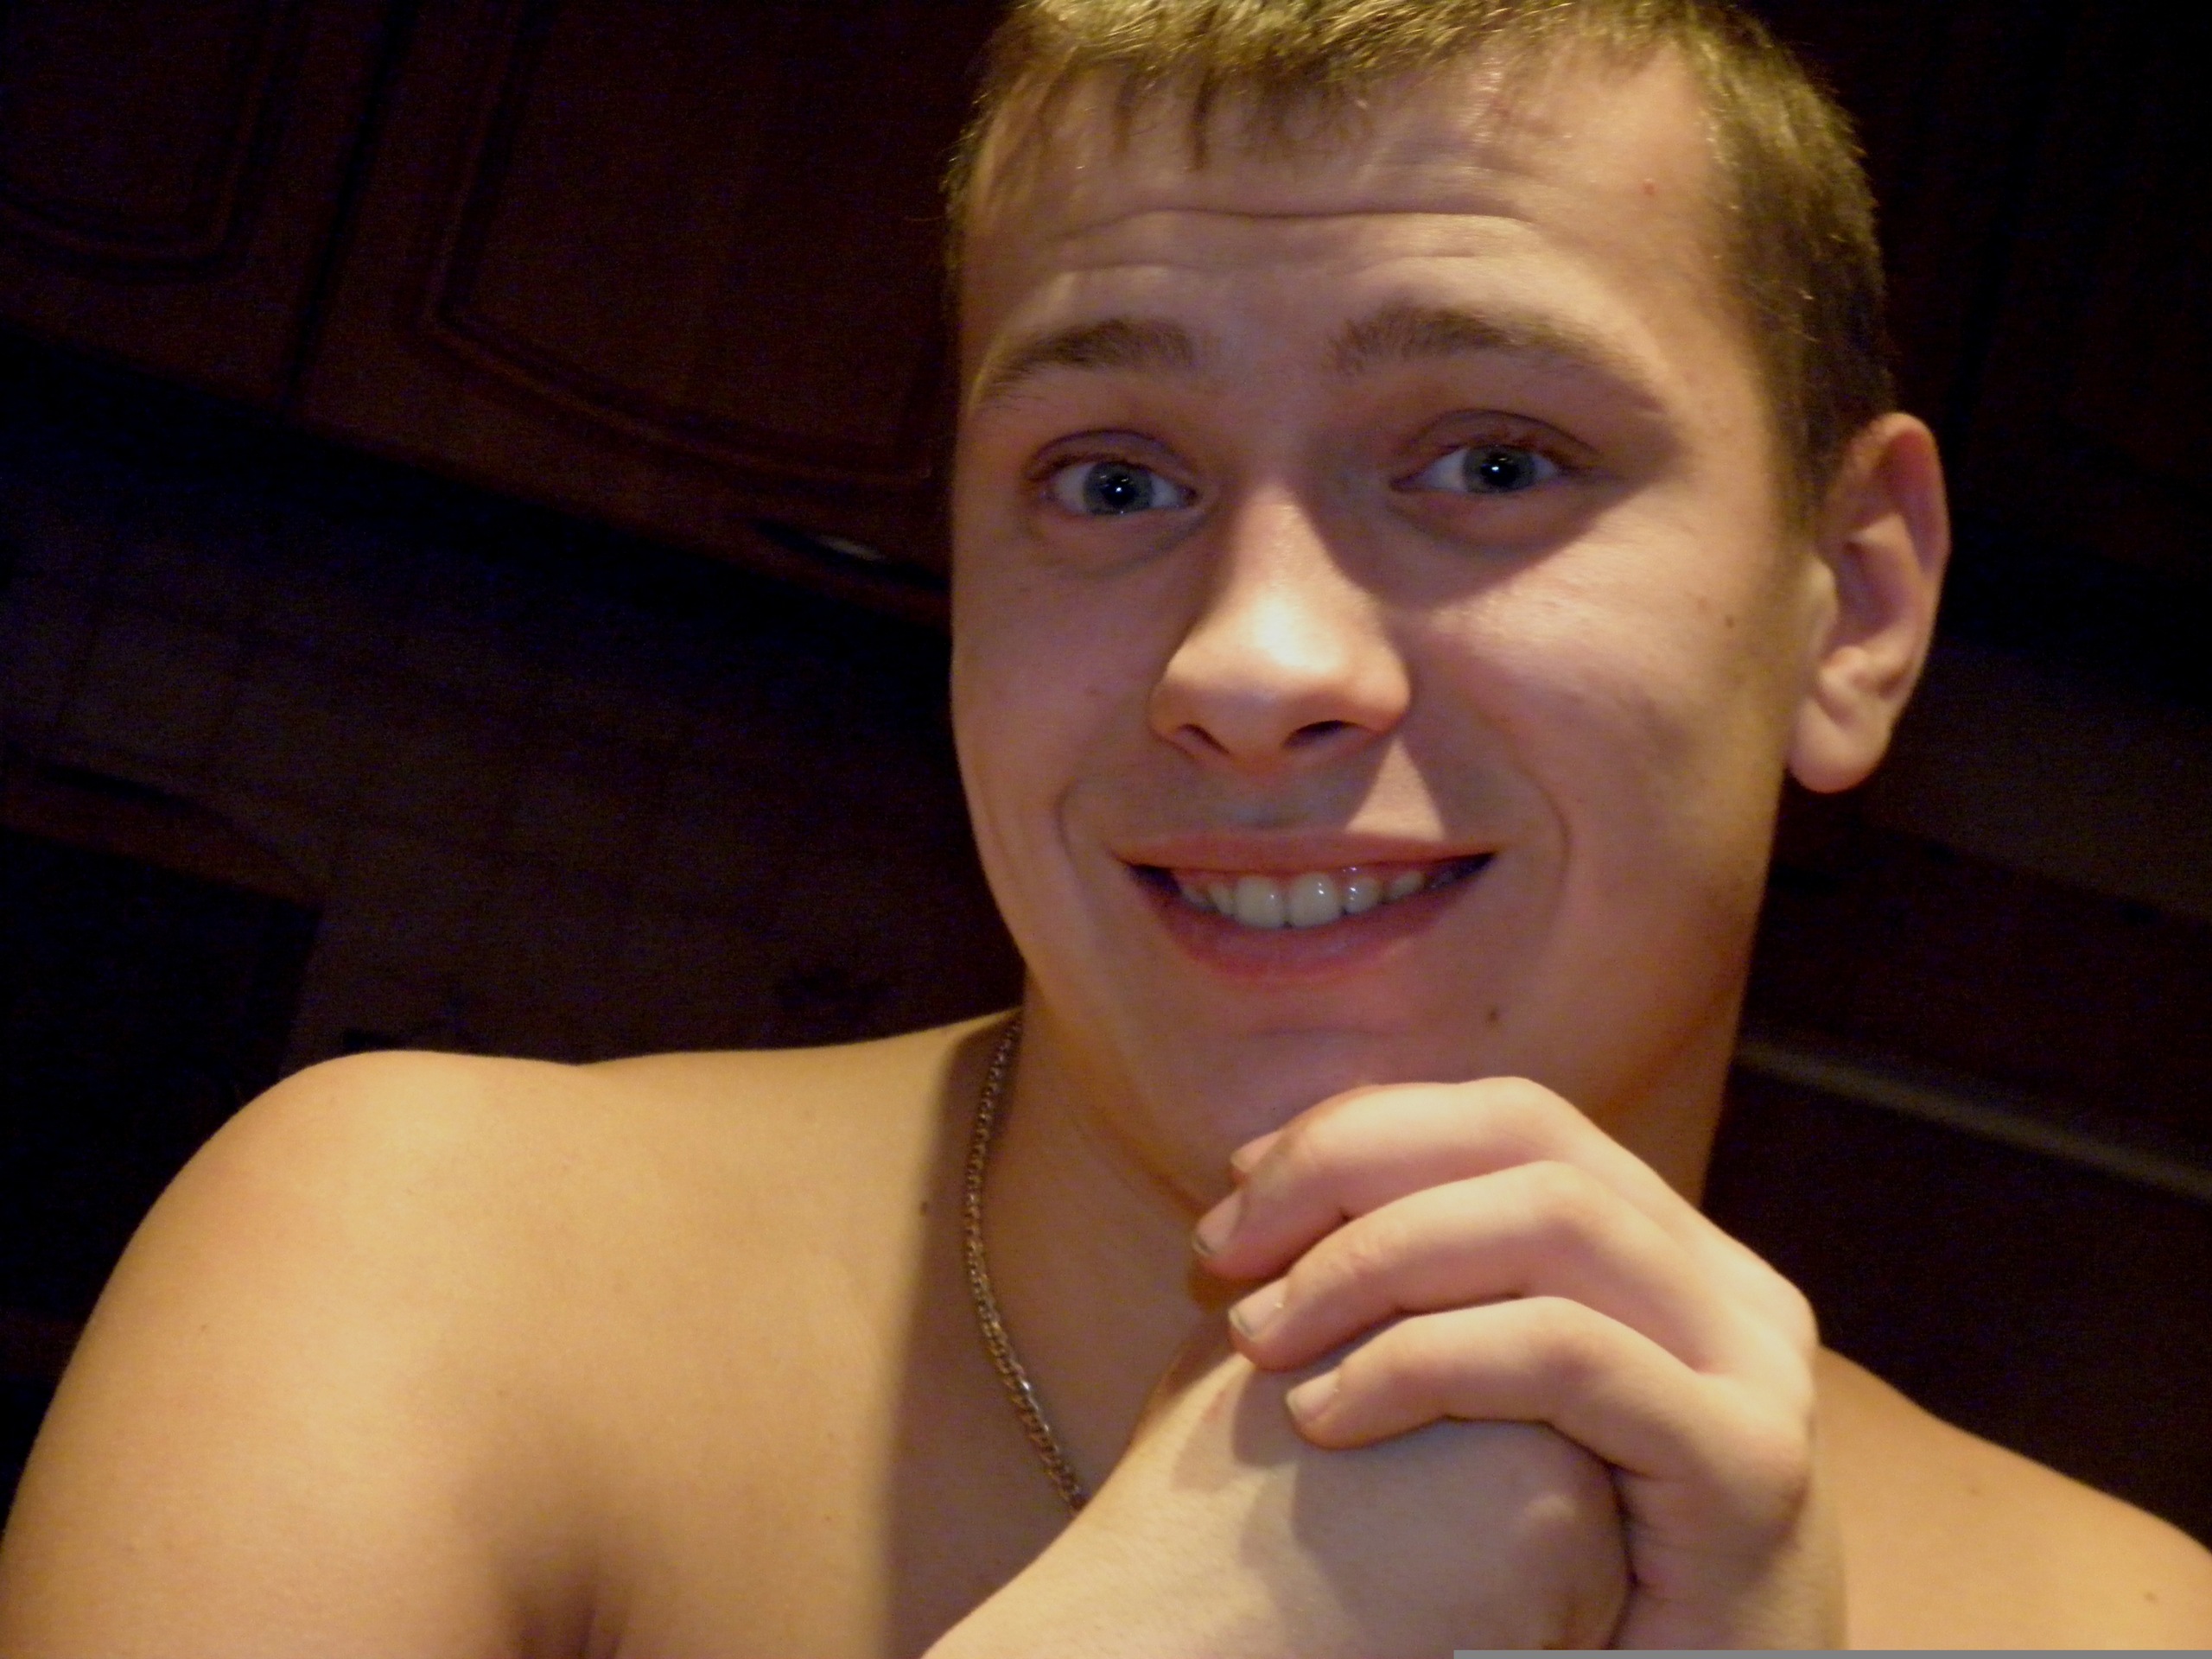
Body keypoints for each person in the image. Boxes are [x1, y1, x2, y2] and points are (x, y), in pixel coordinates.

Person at [3, 0, 2210, 1649]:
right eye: (1113, 478)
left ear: (1854, 606)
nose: (1249, 659)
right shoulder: (431, 1282)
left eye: (1489, 459)